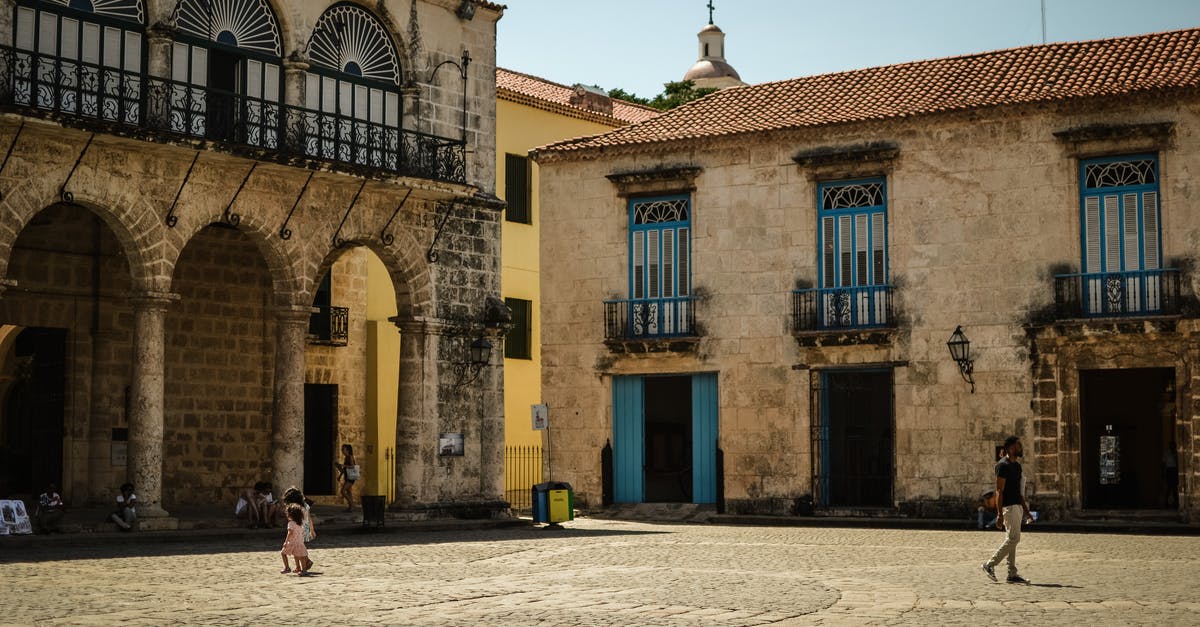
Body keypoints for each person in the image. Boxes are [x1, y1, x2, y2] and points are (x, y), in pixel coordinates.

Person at [982, 436, 1033, 584]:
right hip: (1008, 508)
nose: (1021, 448)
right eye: (1018, 446)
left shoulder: (1017, 466)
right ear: (1011, 448)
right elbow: (999, 491)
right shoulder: (1002, 466)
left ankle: (1012, 574)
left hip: (1017, 506)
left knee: (1011, 539)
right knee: (1014, 538)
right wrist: (999, 514)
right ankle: (989, 564)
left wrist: (1026, 511)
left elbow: (1018, 492)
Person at [282, 486, 316, 571]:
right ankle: (301, 565)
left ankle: (305, 562)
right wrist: (312, 530)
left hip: (299, 529)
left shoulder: (294, 507)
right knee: (298, 547)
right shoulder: (305, 505)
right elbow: (309, 518)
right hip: (304, 528)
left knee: (297, 547)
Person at [280, 504, 310, 576]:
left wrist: (286, 541)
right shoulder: (300, 523)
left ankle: (287, 568)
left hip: (292, 542)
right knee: (301, 556)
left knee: (283, 553)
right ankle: (304, 570)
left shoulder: (291, 523)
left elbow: (290, 533)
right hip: (300, 542)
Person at [335, 444, 358, 512]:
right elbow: (344, 469)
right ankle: (350, 508)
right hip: (347, 476)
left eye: (343, 449)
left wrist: (343, 465)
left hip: (351, 477)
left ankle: (352, 503)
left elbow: (353, 466)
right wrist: (339, 476)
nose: (342, 451)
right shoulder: (346, 458)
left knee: (342, 491)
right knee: (349, 492)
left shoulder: (350, 457)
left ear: (347, 450)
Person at [1163, 440, 1179, 508]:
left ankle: (1176, 503)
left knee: (1174, 488)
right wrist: (1163, 472)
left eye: (1174, 445)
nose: (1172, 447)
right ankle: (1166, 503)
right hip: (1169, 470)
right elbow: (1163, 463)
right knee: (1169, 487)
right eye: (1171, 445)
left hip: (1174, 470)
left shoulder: (1176, 453)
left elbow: (1178, 462)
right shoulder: (1166, 453)